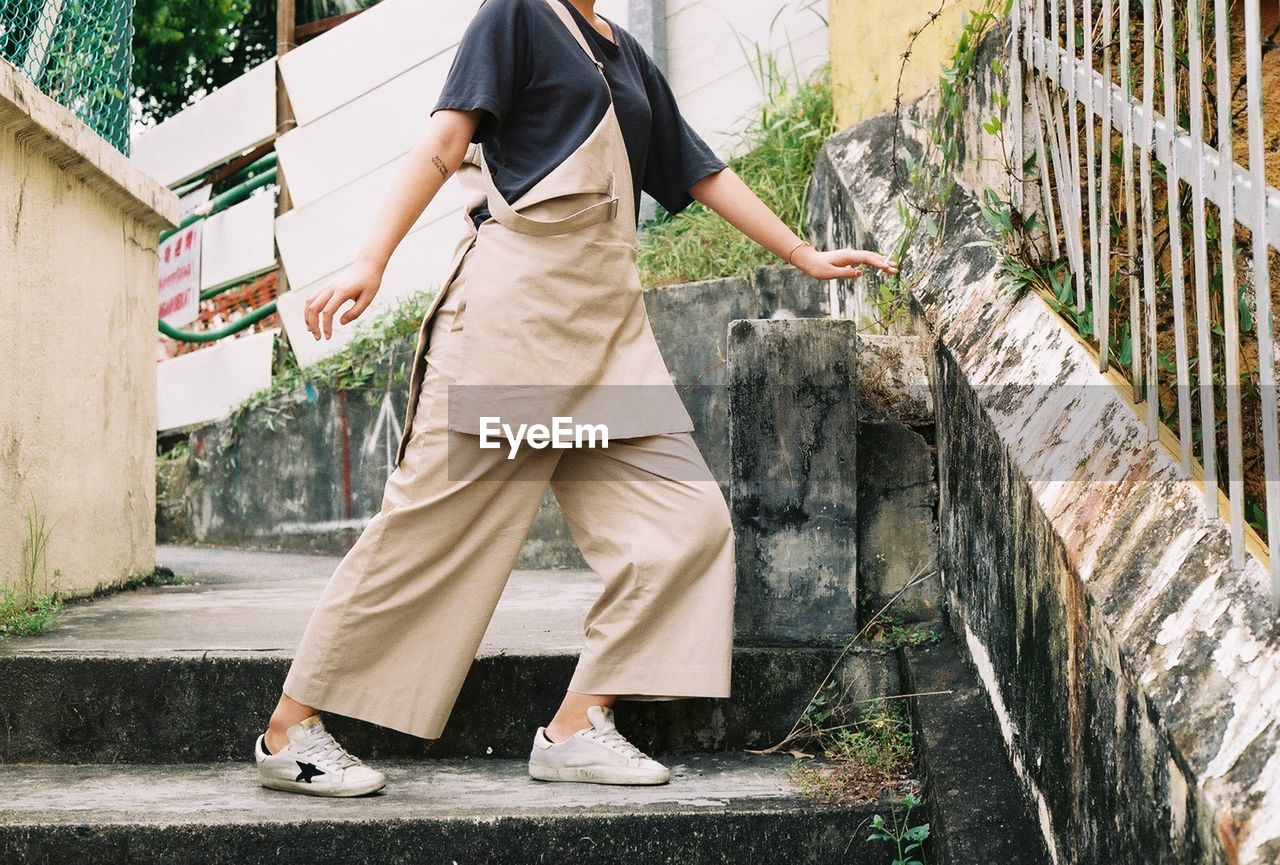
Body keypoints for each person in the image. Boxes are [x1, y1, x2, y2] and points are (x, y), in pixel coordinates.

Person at [252, 0, 899, 797]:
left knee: (683, 523)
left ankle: (574, 726)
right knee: (433, 526)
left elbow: (700, 169)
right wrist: (370, 259)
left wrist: (803, 254)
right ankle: (289, 731)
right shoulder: (516, 15)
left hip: (606, 336)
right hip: (514, 321)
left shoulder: (625, 53)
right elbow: (446, 139)